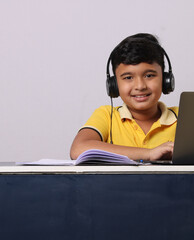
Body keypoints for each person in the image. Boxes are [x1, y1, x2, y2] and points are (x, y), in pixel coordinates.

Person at [70, 33, 178, 161]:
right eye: (128, 78)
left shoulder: (185, 117)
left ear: (165, 80)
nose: (140, 86)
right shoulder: (107, 116)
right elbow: (78, 149)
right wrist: (149, 154)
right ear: (114, 84)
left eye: (149, 75)